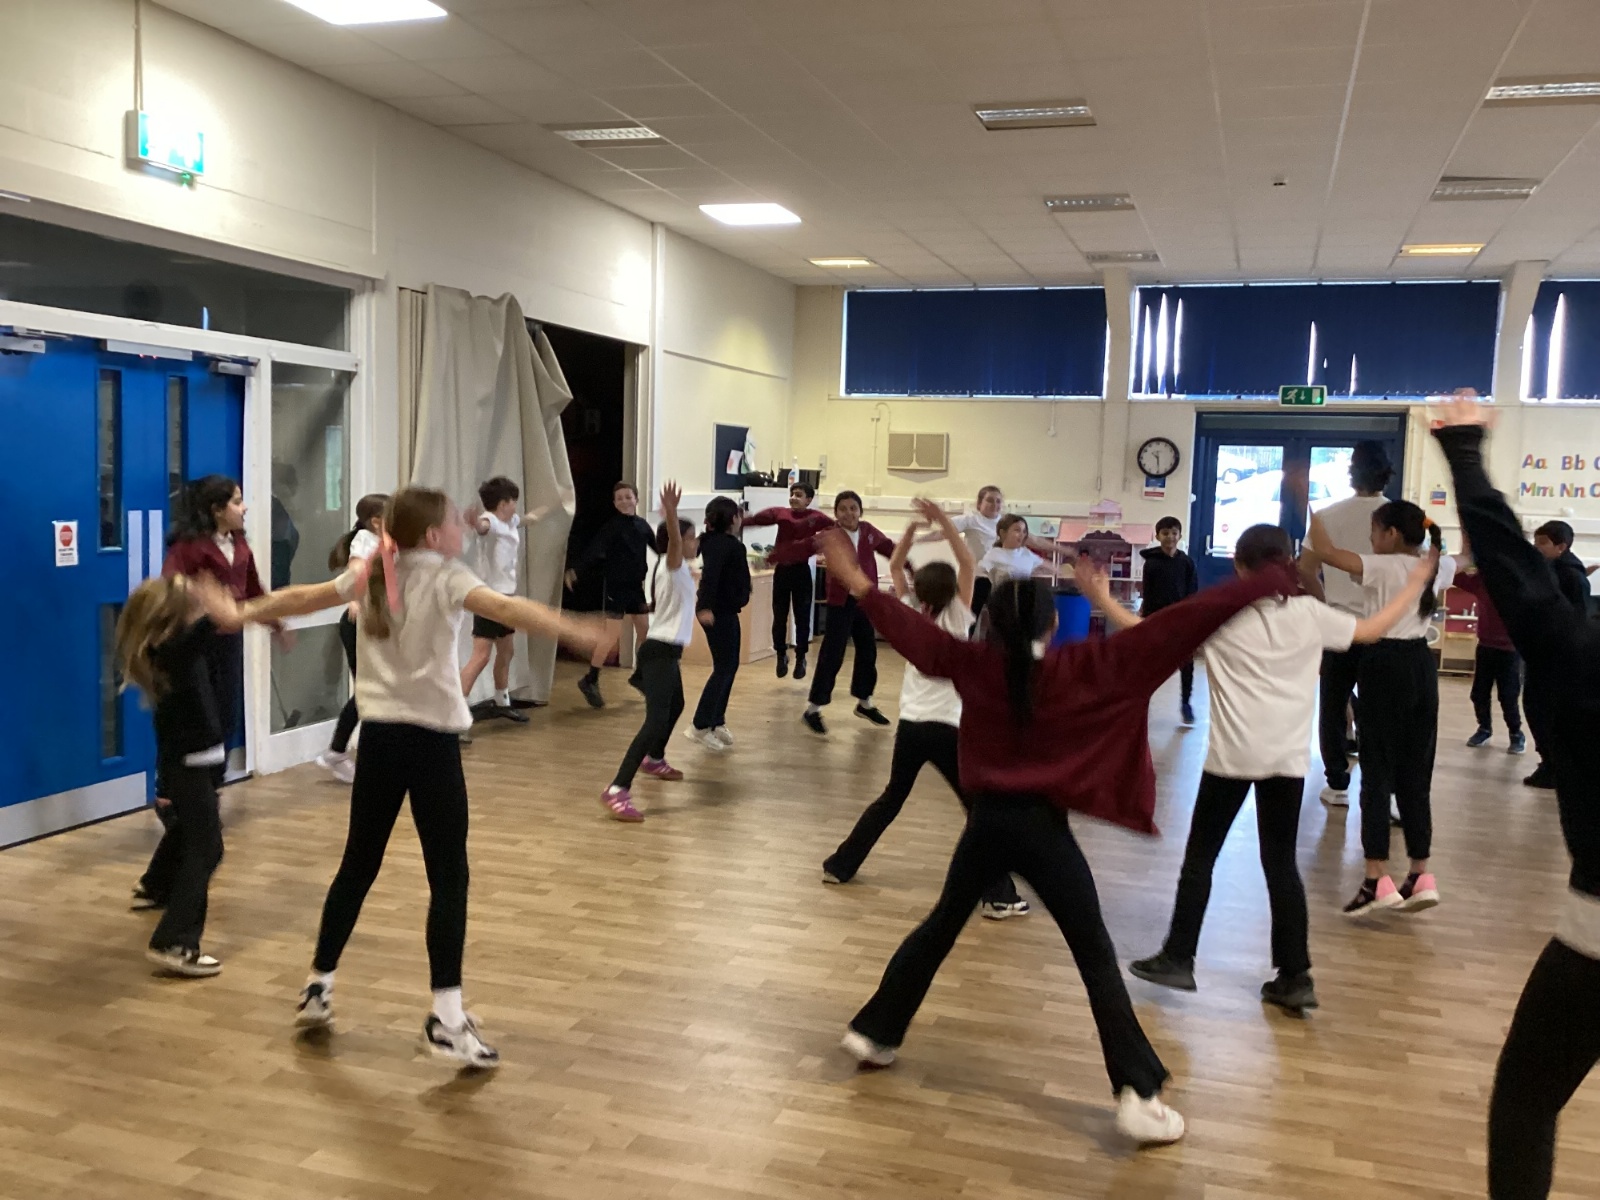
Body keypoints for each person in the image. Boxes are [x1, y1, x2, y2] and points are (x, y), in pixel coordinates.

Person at [817, 529, 1300, 1147]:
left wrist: (858, 582)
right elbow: (1179, 625)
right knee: (1094, 955)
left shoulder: (972, 664)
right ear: (1052, 626)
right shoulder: (1082, 669)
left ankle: (875, 1032)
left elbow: (916, 636)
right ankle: (1137, 1093)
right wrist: (1266, 581)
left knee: (940, 926)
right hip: (1042, 830)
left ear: (987, 625)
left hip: (986, 824)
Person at [249, 487, 599, 1067]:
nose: (462, 527)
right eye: (452, 522)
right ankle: (447, 1020)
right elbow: (509, 610)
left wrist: (243, 611)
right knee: (449, 878)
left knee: (357, 865)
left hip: (380, 740)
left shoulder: (372, 571)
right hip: (431, 745)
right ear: (433, 535)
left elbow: (304, 596)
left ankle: (318, 985)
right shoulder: (444, 575)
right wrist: (576, 630)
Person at [1094, 525, 1433, 1013]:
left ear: (1239, 566)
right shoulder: (1310, 614)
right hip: (1287, 762)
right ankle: (1295, 976)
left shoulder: (1219, 617)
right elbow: (1372, 630)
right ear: (1288, 563)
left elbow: (1145, 632)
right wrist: (1414, 583)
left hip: (1231, 760)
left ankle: (1178, 958)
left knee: (1201, 857)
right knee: (1280, 865)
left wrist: (1103, 599)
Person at [1429, 392, 1600, 1200]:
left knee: (1528, 1100)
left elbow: (1515, 573)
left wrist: (1464, 452)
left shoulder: (1580, 654)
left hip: (1595, 941)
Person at [821, 497, 1030, 920]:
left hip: (911, 726)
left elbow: (897, 566)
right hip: (948, 729)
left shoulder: (910, 614)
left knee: (891, 798)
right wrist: (943, 522)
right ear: (954, 590)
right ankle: (998, 895)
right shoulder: (961, 616)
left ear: (918, 590)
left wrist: (912, 534)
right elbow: (967, 561)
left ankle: (840, 865)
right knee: (979, 810)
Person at [1310, 501, 1454, 917]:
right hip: (1422, 666)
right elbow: (1465, 557)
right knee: (1415, 773)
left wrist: (1308, 506)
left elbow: (1326, 552)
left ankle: (1376, 878)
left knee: (1376, 772)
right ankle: (1421, 874)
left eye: (1374, 531)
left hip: (1384, 663)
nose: (1371, 539)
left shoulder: (1382, 565)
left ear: (1391, 534)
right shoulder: (1437, 564)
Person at [117, 574, 251, 976]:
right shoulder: (171, 651)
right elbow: (212, 627)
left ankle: (157, 886)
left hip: (198, 765)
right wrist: (218, 611)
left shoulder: (173, 651)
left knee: (192, 837)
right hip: (188, 767)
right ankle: (174, 940)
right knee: (207, 849)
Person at [601, 483, 695, 823]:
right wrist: (671, 513)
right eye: (692, 537)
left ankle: (654, 759)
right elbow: (674, 544)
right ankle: (617, 789)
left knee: (677, 705)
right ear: (678, 541)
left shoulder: (671, 569)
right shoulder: (672, 563)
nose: (696, 542)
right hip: (659, 652)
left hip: (665, 650)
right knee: (654, 720)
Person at [1313, 442, 1394, 806]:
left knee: (1333, 706)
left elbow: (1305, 569)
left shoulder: (1326, 515)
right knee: (1383, 709)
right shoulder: (1401, 517)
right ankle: (1385, 787)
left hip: (1339, 626)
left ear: (1351, 473)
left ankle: (1337, 784)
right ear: (1387, 474)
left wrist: (1325, 604)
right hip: (1384, 629)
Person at [802, 490, 895, 735]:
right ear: (836, 513)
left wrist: (909, 565)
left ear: (860, 511)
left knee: (868, 650)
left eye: (853, 508)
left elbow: (889, 548)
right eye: (843, 509)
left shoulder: (868, 531)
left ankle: (865, 702)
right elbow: (804, 548)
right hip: (840, 604)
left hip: (865, 601)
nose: (848, 513)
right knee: (832, 655)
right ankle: (813, 709)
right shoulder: (830, 534)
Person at [316, 493, 388, 783]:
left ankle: (348, 752)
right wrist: (355, 601)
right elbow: (355, 569)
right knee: (367, 691)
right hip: (356, 621)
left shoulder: (385, 542)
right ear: (376, 521)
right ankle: (336, 751)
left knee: (373, 690)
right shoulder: (364, 540)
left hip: (373, 622)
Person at [459, 476, 539, 727]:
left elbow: (526, 519)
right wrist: (474, 522)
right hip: (489, 597)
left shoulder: (510, 521)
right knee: (481, 656)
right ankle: (456, 713)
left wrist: (551, 507)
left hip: (506, 597)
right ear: (503, 503)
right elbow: (482, 527)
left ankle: (502, 701)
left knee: (506, 650)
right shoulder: (491, 521)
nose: (516, 505)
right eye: (513, 501)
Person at [567, 482, 654, 709]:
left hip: (636, 588)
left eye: (628, 497)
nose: (624, 501)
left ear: (636, 499)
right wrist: (576, 570)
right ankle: (590, 679)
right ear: (614, 503)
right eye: (619, 498)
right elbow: (594, 551)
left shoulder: (643, 526)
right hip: (616, 587)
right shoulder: (612, 527)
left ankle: (640, 676)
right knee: (611, 635)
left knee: (645, 632)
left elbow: (661, 549)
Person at [1523, 520, 1592, 789]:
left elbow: (1578, 617)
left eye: (1543, 542)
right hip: (1544, 652)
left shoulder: (1571, 576)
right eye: (1536, 541)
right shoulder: (1551, 570)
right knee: (1535, 707)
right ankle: (1549, 762)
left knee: (1546, 711)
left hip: (1559, 657)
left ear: (1561, 547)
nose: (1536, 547)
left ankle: (1555, 765)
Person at [919, 487, 1058, 621]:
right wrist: (915, 541)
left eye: (998, 501)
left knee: (1001, 617)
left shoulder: (1006, 523)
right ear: (979, 504)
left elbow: (1034, 540)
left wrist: (1062, 550)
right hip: (979, 578)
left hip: (1000, 580)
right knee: (970, 617)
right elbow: (943, 533)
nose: (994, 504)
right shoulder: (971, 520)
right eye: (990, 500)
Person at [743, 482, 834, 679]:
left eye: (798, 495)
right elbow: (756, 520)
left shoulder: (816, 517)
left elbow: (836, 530)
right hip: (782, 572)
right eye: (792, 494)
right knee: (779, 616)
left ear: (808, 500)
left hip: (801, 572)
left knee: (802, 617)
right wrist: (736, 522)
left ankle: (801, 657)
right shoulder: (780, 513)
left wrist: (825, 547)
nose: (793, 498)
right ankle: (781, 654)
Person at [685, 495, 751, 750]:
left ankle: (716, 719)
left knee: (728, 666)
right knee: (724, 667)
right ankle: (700, 725)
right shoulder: (728, 545)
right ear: (733, 519)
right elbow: (710, 578)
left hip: (724, 610)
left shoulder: (711, 542)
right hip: (718, 612)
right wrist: (705, 607)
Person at [1454, 533, 1525, 755]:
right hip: (1486, 646)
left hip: (1510, 650)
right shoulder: (1483, 580)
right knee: (1479, 693)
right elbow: (1455, 577)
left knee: (1508, 695)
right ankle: (1484, 728)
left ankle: (1516, 733)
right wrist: (1465, 553)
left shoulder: (1519, 585)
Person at [1139, 515, 1201, 726]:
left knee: (1186, 662)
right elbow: (1148, 593)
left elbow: (1193, 593)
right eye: (1165, 533)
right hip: (1157, 618)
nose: (1170, 537)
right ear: (1158, 536)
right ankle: (1142, 701)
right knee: (1150, 664)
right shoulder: (1151, 564)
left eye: (1174, 533)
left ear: (1180, 535)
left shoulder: (1187, 563)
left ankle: (1186, 702)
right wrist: (1147, 618)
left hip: (1181, 620)